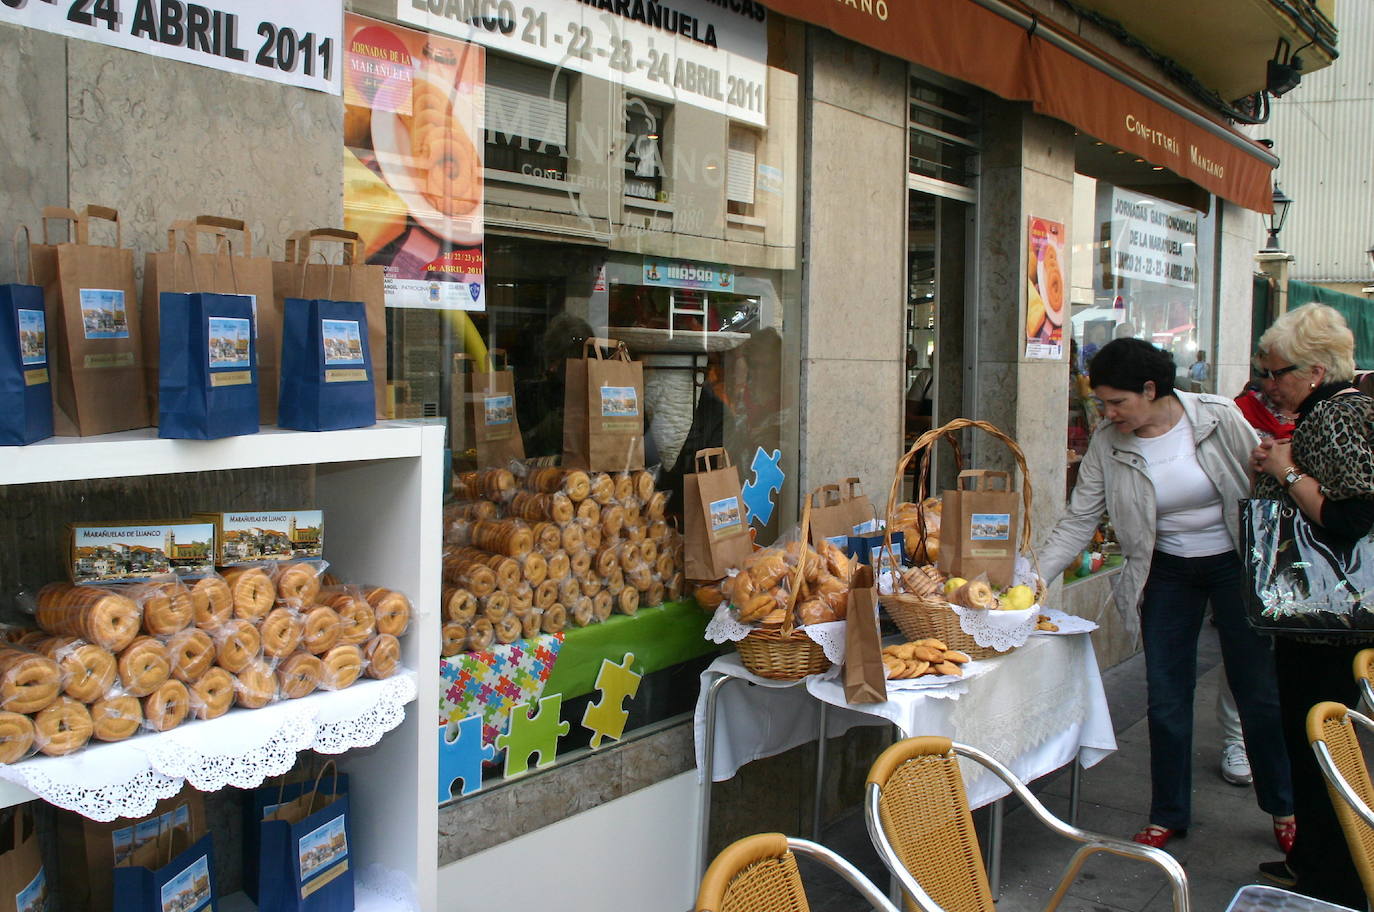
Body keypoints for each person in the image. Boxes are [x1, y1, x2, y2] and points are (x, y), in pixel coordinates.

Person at [1040, 337, 1293, 851]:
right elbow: (1078, 521)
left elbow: (1267, 481)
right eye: (1102, 403)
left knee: (1258, 694)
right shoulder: (1109, 445)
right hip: (1165, 572)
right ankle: (1169, 812)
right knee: (1167, 698)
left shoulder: (1218, 418)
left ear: (1151, 389)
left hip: (1234, 565)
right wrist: (1031, 579)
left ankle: (1284, 808)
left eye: (1117, 402)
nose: (1108, 414)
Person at [1250, 304, 1374, 905]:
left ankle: (1330, 880)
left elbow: (1351, 515)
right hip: (1336, 623)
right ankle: (1324, 867)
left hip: (1327, 623)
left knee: (1319, 748)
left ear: (1316, 372)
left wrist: (1287, 468)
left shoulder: (1334, 417)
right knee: (1328, 748)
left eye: (1277, 373)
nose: (1268, 384)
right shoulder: (1343, 411)